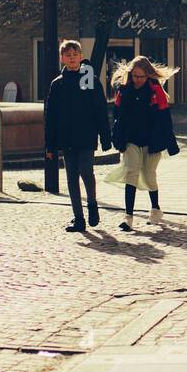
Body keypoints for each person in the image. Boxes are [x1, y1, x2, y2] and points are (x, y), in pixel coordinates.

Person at [105, 56, 179, 232]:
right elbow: (117, 117)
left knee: (149, 175)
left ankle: (155, 209)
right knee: (131, 173)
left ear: (148, 76)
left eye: (142, 76)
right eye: (135, 76)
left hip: (152, 141)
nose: (138, 80)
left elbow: (165, 119)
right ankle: (128, 217)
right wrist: (117, 137)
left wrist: (169, 142)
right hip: (131, 140)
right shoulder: (123, 91)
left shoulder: (156, 92)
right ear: (130, 75)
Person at [44, 40, 112, 232]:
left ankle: (92, 205)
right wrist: (49, 145)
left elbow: (100, 110)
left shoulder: (89, 79)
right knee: (71, 177)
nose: (72, 58)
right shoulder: (57, 84)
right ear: (62, 58)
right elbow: (51, 116)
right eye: (68, 55)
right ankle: (78, 218)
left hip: (86, 136)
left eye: (75, 55)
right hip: (66, 138)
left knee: (86, 172)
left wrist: (105, 138)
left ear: (81, 57)